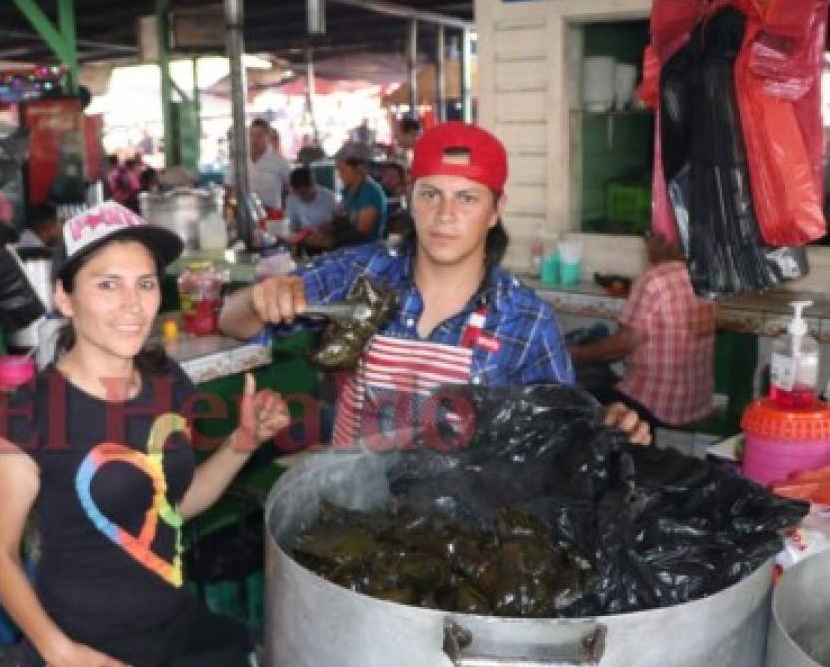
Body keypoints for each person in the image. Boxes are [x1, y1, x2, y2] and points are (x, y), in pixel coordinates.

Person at [0, 201, 285, 667]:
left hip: (172, 643)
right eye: (106, 284)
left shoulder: (165, 383)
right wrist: (62, 657)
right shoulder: (29, 414)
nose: (132, 305)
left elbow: (179, 505)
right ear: (64, 297)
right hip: (82, 662)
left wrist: (239, 443)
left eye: (145, 283)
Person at [220, 121, 649, 446]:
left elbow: (561, 441)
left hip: (457, 535)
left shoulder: (526, 321)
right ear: (411, 198)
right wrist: (260, 300)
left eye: (466, 198)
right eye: (431, 194)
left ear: (495, 209)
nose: (446, 215)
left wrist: (609, 429)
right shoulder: (358, 274)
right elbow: (231, 322)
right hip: (347, 512)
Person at [569, 233, 716, 430]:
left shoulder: (654, 280)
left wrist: (575, 354)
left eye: (649, 237)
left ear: (663, 240)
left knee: (576, 393)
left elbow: (622, 346)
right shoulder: (705, 276)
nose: (647, 245)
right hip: (696, 405)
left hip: (654, 405)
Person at [333, 143, 387, 244]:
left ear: (358, 169)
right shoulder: (347, 191)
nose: (340, 175)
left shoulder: (371, 192)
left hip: (366, 250)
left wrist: (331, 240)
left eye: (343, 170)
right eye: (338, 170)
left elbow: (362, 232)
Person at [236, 118, 290, 212]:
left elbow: (291, 188)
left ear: (268, 136)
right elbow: (229, 185)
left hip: (272, 214)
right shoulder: (240, 160)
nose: (254, 139)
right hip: (246, 213)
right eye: (252, 135)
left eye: (259, 135)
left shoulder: (280, 161)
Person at [284, 166, 336, 244]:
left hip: (326, 238)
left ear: (313, 186)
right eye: (299, 194)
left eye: (305, 193)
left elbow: (336, 223)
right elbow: (291, 227)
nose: (303, 197)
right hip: (304, 240)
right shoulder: (291, 199)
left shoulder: (328, 197)